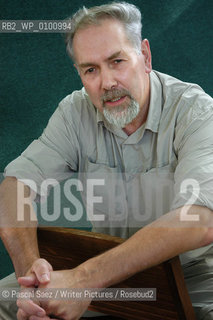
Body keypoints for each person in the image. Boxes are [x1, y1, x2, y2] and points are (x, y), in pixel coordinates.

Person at [0, 2, 213, 319]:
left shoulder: (197, 112)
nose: (108, 82)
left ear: (145, 56)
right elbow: (15, 186)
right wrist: (33, 281)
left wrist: (84, 279)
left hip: (193, 281)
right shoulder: (75, 112)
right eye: (91, 70)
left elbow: (200, 220)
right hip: (106, 274)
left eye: (117, 61)